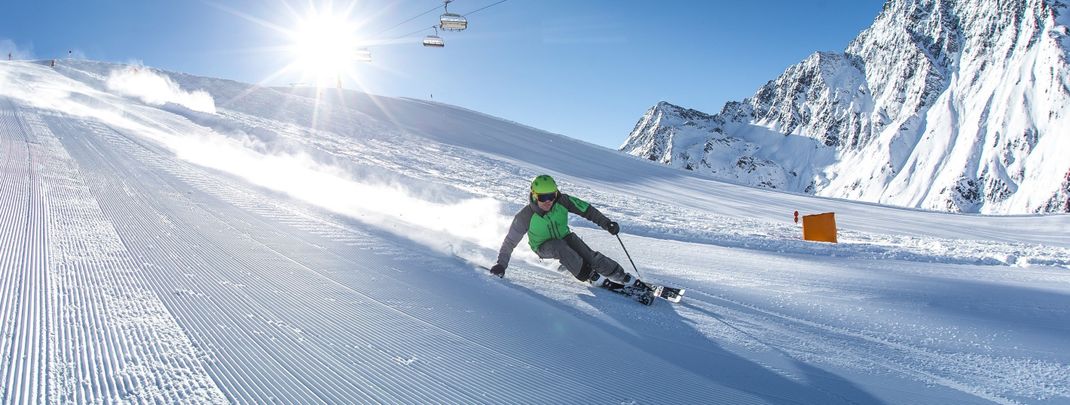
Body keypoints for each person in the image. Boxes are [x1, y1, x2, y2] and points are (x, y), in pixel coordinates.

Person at [490, 175, 650, 290]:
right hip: (542, 246)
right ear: (534, 195)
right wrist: (501, 264)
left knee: (589, 255)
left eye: (551, 196)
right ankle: (589, 275)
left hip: (565, 236)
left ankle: (619, 275)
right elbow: (509, 242)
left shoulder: (562, 201)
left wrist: (606, 223)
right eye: (543, 197)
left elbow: (586, 210)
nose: (548, 201)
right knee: (560, 247)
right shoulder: (525, 216)